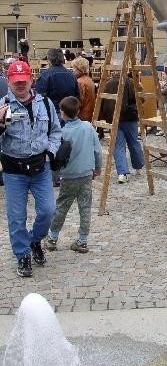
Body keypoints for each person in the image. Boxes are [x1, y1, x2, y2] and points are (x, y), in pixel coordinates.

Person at [0, 61, 61, 277]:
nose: (20, 85)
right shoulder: (3, 106)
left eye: (23, 81)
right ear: (9, 81)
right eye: (16, 82)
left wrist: (50, 152)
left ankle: (35, 239)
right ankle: (22, 255)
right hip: (14, 169)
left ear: (30, 80)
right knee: (16, 217)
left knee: (48, 211)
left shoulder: (44, 104)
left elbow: (55, 131)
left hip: (39, 167)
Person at [45, 96, 102, 254]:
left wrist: (54, 175)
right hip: (86, 174)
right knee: (85, 207)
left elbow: (58, 157)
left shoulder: (63, 133)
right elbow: (97, 150)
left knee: (62, 206)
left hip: (69, 175)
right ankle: (82, 240)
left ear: (62, 113)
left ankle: (52, 238)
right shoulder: (88, 127)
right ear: (78, 110)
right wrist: (98, 168)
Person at [100, 74, 144, 183]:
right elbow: (140, 98)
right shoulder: (131, 82)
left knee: (118, 145)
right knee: (133, 142)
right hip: (129, 117)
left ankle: (122, 173)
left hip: (113, 118)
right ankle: (138, 166)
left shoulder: (108, 83)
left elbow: (102, 101)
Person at [35, 48, 80, 121]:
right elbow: (77, 96)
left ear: (49, 60)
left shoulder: (45, 75)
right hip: (69, 115)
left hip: (52, 115)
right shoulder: (71, 75)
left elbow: (39, 97)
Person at [71, 56, 96, 122]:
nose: (73, 71)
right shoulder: (89, 80)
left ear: (79, 69)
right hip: (89, 113)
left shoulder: (80, 82)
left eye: (74, 68)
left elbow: (80, 101)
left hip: (82, 115)